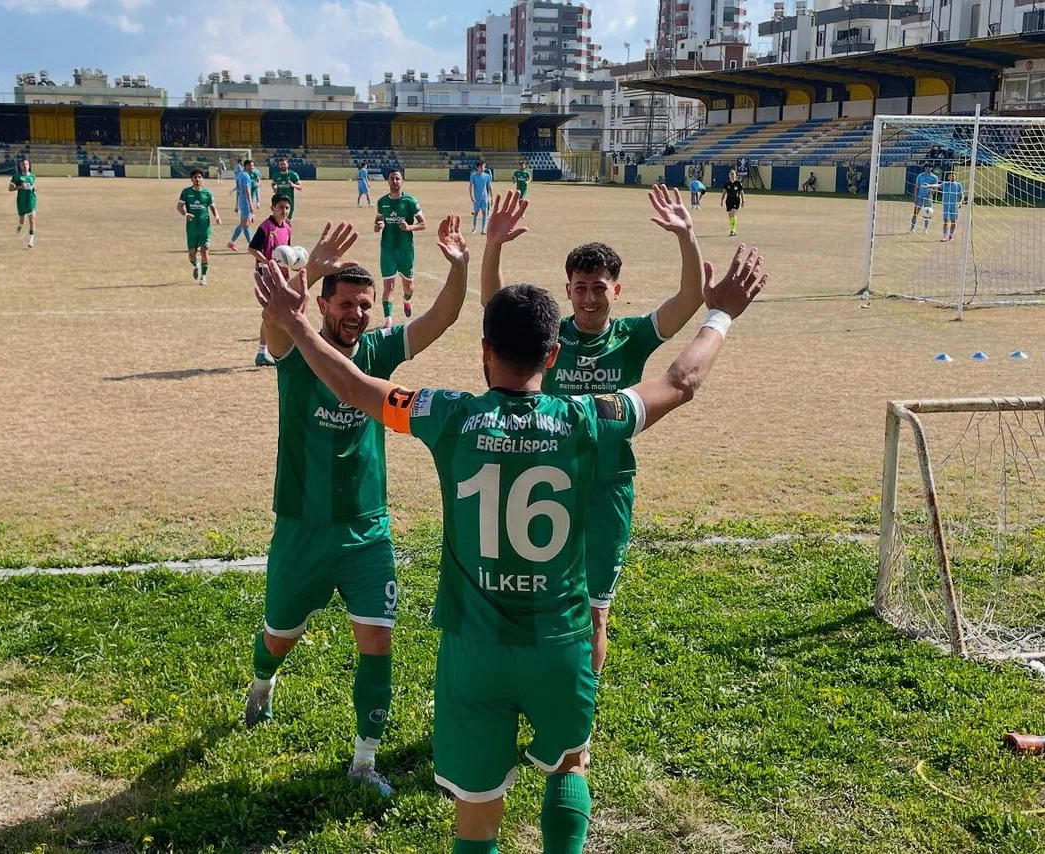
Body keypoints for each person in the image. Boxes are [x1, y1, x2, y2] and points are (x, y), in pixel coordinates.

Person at [254, 233, 766, 854]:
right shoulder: (587, 420)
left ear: (485, 352)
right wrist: (721, 312)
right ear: (553, 354)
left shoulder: (450, 416)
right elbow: (681, 380)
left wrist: (294, 322)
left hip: (475, 652)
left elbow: (355, 388)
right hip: (560, 642)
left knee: (476, 814)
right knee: (569, 764)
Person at [244, 216, 472, 798]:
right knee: (278, 636)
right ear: (322, 305)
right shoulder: (296, 343)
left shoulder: (376, 349)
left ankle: (365, 762)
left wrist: (459, 267)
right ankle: (263, 684)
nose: (357, 314)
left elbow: (439, 320)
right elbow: (275, 324)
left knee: (377, 639)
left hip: (368, 529)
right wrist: (309, 269)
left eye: (365, 305)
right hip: (301, 527)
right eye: (346, 304)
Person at [482, 187, 745, 689]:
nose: (588, 297)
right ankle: (532, 687)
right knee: (536, 601)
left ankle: (581, 706)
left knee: (595, 613)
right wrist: (493, 246)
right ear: (568, 289)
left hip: (608, 490)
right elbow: (496, 306)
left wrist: (687, 236)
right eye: (580, 287)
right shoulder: (549, 335)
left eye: (598, 287)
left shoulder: (631, 335)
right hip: (546, 489)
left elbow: (690, 299)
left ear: (616, 290)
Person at [374, 167, 426, 326]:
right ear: (388, 180)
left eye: (397, 178)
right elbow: (377, 221)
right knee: (388, 286)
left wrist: (409, 227)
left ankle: (406, 300)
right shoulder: (382, 202)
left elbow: (423, 224)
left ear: (402, 180)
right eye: (392, 178)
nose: (394, 181)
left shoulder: (410, 201)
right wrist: (378, 226)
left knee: (408, 287)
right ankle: (388, 321)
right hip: (387, 249)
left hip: (405, 250)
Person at [250, 194, 295, 366]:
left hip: (282, 275)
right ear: (273, 208)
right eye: (281, 207)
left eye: (287, 207)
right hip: (268, 275)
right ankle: (263, 351)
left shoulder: (288, 227)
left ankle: (273, 349)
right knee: (272, 311)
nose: (284, 211)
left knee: (279, 312)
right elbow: (252, 248)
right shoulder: (266, 227)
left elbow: (288, 252)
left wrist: (294, 264)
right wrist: (267, 262)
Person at [176, 168, 220, 285]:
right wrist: (186, 214)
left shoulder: (208, 193)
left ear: (202, 179)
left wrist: (217, 216)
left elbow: (212, 206)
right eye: (195, 177)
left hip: (204, 227)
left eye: (199, 177)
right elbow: (179, 206)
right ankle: (196, 265)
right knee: (191, 254)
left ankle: (203, 276)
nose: (197, 179)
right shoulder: (186, 192)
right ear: (191, 179)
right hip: (191, 228)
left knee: (205, 251)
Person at [228, 159, 257, 252]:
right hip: (245, 204)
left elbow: (238, 190)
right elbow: (246, 190)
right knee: (244, 224)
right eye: (251, 165)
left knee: (245, 224)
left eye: (253, 165)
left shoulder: (240, 175)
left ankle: (251, 245)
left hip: (241, 202)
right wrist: (251, 205)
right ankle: (233, 242)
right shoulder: (246, 176)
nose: (252, 167)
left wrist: (237, 204)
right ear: (246, 166)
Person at [9, 158, 38, 249]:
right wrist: (20, 187)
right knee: (22, 219)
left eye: (26, 164)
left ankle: (30, 241)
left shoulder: (32, 176)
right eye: (22, 164)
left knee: (32, 220)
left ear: (29, 166)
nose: (25, 166)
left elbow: (33, 186)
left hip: (31, 200)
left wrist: (34, 188)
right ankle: (20, 225)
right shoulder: (17, 176)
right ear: (20, 166)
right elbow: (10, 189)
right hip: (21, 201)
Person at [910, 163, 939, 234]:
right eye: (926, 167)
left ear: (932, 168)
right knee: (915, 212)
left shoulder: (934, 177)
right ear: (924, 168)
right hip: (920, 196)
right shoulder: (920, 176)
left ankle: (925, 229)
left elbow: (935, 188)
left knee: (927, 213)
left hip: (928, 198)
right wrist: (915, 197)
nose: (928, 168)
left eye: (929, 167)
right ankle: (912, 227)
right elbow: (917, 187)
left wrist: (930, 194)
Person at [938, 170, 964, 243]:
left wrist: (961, 202)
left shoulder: (958, 185)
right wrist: (929, 186)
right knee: (945, 221)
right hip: (946, 205)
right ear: (948, 177)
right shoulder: (945, 184)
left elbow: (961, 195)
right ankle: (945, 236)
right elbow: (937, 185)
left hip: (954, 205)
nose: (952, 177)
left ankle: (951, 235)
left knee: (953, 221)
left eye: (953, 175)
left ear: (955, 177)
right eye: (950, 175)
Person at [469, 160, 493, 234]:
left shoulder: (487, 176)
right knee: (476, 213)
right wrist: (471, 196)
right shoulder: (473, 176)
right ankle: (474, 228)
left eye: (484, 166)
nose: (483, 168)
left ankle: (483, 229)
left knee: (484, 213)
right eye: (481, 166)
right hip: (477, 198)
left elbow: (489, 186)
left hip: (485, 198)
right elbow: (470, 186)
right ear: (478, 167)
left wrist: (492, 197)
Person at [722, 169, 744, 237]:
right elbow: (724, 192)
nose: (732, 175)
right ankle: (732, 229)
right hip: (728, 200)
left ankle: (733, 230)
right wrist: (721, 200)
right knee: (730, 215)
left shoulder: (738, 183)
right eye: (731, 174)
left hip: (736, 200)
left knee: (733, 213)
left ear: (735, 175)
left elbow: (741, 192)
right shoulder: (727, 183)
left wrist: (743, 201)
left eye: (733, 174)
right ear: (729, 175)